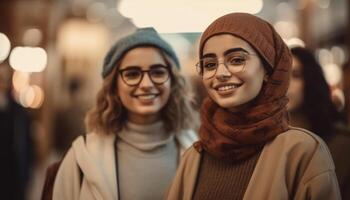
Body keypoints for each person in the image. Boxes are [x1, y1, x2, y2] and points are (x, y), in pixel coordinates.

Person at [167, 13, 340, 200]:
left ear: (268, 68)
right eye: (209, 64)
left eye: (237, 60)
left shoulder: (302, 150)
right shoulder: (194, 156)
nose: (220, 73)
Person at [52, 27, 198, 200]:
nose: (146, 84)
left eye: (158, 72)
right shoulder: (81, 157)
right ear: (114, 86)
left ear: (173, 82)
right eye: (132, 74)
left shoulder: (197, 151)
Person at [288, 46, 350, 200]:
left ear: (310, 80)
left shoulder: (340, 144)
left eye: (295, 75)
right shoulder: (264, 141)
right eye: (280, 75)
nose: (286, 84)